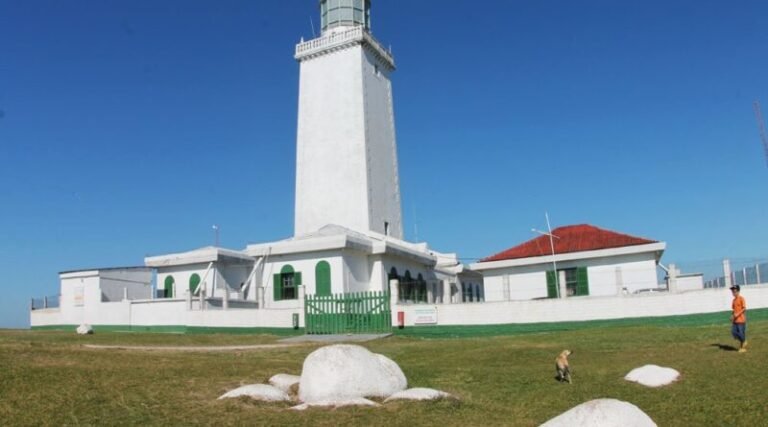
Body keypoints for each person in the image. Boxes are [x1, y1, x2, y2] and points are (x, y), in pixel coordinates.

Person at [730, 285, 747, 353]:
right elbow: (734, 310)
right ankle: (744, 341)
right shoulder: (733, 300)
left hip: (741, 320)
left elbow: (744, 308)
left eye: (734, 291)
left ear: (738, 291)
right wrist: (732, 316)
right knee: (733, 333)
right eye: (732, 291)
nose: (733, 293)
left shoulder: (741, 298)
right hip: (735, 320)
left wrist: (737, 314)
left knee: (741, 333)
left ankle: (742, 347)